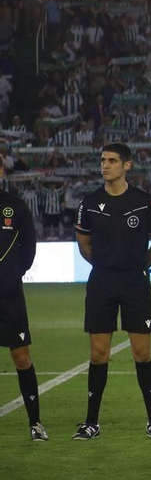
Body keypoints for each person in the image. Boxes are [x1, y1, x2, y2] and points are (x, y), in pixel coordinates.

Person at [73, 143, 151, 439]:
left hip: (135, 283)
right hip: (101, 282)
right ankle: (91, 423)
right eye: (103, 160)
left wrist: (139, 267)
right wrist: (105, 266)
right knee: (99, 354)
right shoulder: (89, 202)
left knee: (142, 353)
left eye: (112, 161)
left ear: (127, 166)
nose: (105, 165)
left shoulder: (144, 201)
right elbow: (84, 245)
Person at [0, 174, 43, 440]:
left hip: (9, 296)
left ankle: (35, 424)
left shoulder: (15, 206)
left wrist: (14, 273)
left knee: (22, 358)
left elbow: (29, 247)